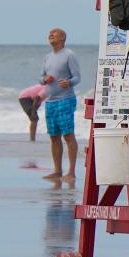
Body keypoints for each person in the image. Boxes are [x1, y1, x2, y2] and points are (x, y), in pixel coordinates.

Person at [41, 28, 83, 180]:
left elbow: (77, 77)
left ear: (63, 38)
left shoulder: (69, 55)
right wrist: (44, 80)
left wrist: (69, 82)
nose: (50, 34)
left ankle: (71, 172)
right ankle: (57, 170)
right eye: (49, 33)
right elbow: (41, 77)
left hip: (65, 100)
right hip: (50, 101)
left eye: (54, 33)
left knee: (68, 135)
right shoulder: (47, 57)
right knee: (53, 136)